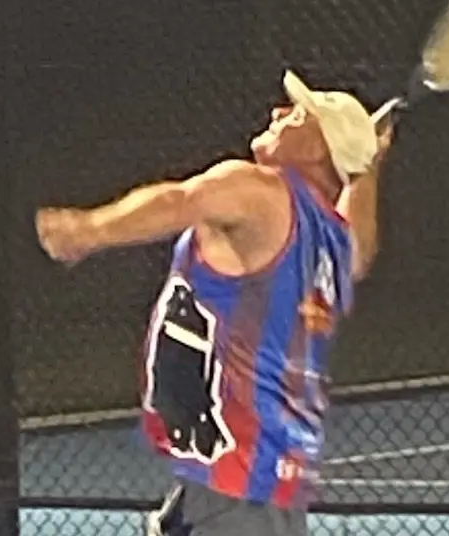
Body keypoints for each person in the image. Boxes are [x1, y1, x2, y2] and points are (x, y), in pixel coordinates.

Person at [35, 71, 395, 536]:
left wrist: (91, 230)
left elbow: (180, 200)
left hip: (238, 480)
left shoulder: (263, 191)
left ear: (315, 149)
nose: (278, 113)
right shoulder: (334, 243)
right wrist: (367, 167)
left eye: (298, 114)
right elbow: (361, 246)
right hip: (259, 476)